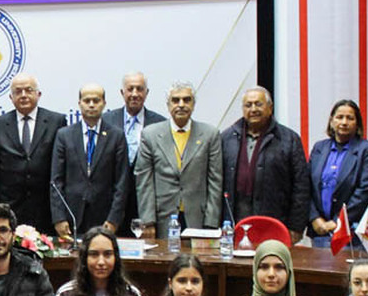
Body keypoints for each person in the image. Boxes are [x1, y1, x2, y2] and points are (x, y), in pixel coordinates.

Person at [221, 87, 311, 242]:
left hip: (275, 222)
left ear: (270, 108)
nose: (253, 109)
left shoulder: (289, 139)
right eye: (248, 105)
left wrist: (296, 227)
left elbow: (301, 187)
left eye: (258, 104)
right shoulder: (226, 138)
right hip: (234, 223)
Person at [135, 82, 224, 237]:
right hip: (162, 218)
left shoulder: (210, 134)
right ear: (168, 105)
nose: (181, 105)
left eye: (187, 100)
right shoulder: (150, 135)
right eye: (175, 100)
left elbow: (215, 181)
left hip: (198, 219)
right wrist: (148, 221)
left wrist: (211, 223)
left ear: (194, 104)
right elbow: (144, 181)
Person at [0, 74, 67, 234]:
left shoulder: (57, 121)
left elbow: (62, 169)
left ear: (38, 94)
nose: (23, 95)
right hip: (9, 210)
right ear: (10, 97)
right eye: (18, 91)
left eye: (29, 90)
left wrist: (60, 214)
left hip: (46, 210)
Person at [50, 84, 131, 239]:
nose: (92, 105)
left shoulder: (116, 136)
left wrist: (114, 219)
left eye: (96, 100)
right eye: (87, 101)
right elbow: (56, 181)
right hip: (72, 216)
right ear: (79, 103)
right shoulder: (64, 135)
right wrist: (59, 218)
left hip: (105, 217)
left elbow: (122, 182)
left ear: (104, 103)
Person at [307, 100, 368, 249]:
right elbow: (307, 186)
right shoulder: (319, 148)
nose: (344, 122)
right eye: (339, 117)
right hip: (320, 230)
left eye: (350, 118)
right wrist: (314, 218)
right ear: (331, 121)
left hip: (352, 232)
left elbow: (365, 190)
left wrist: (338, 221)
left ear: (357, 123)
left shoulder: (367, 150)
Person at [105, 72, 167, 227]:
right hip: (112, 203)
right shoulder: (107, 121)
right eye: (130, 89)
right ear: (122, 92)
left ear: (147, 93)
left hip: (146, 203)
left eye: (139, 89)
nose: (134, 94)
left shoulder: (160, 123)